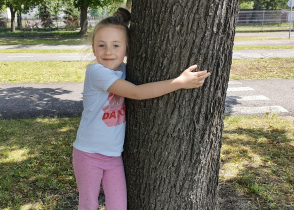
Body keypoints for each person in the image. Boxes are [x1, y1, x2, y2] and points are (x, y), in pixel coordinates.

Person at [72, 7, 211, 210]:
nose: (108, 51)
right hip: (88, 155)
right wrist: (179, 82)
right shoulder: (96, 72)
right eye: (101, 45)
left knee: (119, 206)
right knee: (88, 204)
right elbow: (137, 93)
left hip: (113, 157)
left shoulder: (125, 71)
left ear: (127, 49)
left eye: (116, 45)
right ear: (93, 49)